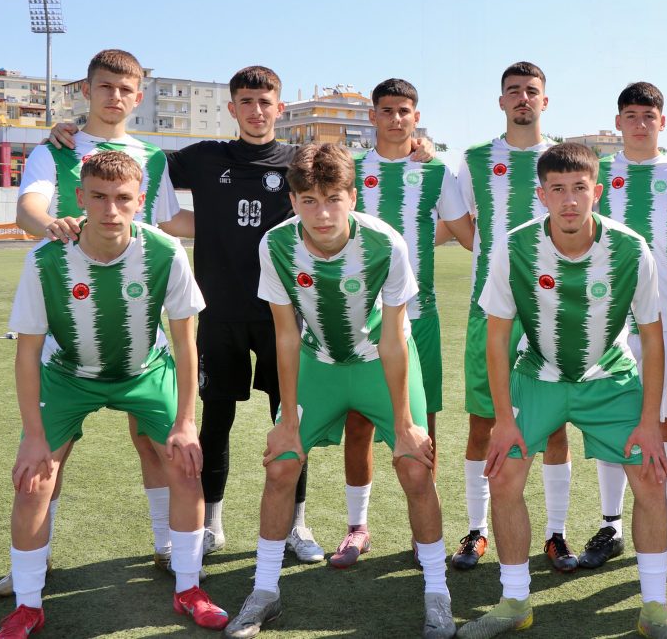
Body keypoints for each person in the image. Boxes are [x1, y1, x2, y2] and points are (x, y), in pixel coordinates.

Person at [47, 66, 438, 562]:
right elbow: (134, 160)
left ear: (280, 108)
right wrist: (75, 134)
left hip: (286, 318)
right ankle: (212, 524)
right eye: (246, 102)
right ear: (232, 108)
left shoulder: (300, 162)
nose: (256, 111)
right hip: (218, 310)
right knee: (216, 420)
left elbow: (358, 165)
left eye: (265, 102)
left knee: (288, 419)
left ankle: (297, 525)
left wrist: (420, 146)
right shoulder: (205, 157)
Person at [224, 144, 454, 639]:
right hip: (320, 364)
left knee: (415, 466)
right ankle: (264, 591)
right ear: (293, 201)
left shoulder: (385, 243)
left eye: (333, 198)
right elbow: (286, 335)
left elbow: (394, 339)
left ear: (352, 196)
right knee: (281, 464)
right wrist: (288, 420)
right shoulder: (276, 244)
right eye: (309, 200)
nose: (322, 213)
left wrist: (406, 424)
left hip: (379, 363)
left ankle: (437, 594)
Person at [0, 151, 226, 638]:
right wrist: (34, 437)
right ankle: (27, 605)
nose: (110, 209)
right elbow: (27, 352)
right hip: (67, 374)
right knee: (33, 480)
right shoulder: (46, 259)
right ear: (79, 198)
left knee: (186, 464)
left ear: (140, 201)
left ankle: (189, 588)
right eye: (98, 197)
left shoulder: (165, 251)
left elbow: (186, 343)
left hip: (145, 372)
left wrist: (186, 422)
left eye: (123, 198)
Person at [460, 142, 667, 639]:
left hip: (610, 380)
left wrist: (650, 421)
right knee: (505, 477)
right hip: (538, 376)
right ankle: (514, 601)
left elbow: (652, 337)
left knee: (650, 477)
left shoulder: (631, 248)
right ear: (541, 195)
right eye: (557, 189)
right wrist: (503, 419)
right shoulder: (515, 246)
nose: (569, 200)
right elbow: (497, 338)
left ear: (596, 192)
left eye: (579, 188)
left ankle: (655, 609)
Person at [1, 48, 195, 597]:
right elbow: (27, 210)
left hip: (137, 323)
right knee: (50, 456)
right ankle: (33, 564)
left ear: (138, 97)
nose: (115, 97)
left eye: (125, 89)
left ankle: (167, 547)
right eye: (105, 86)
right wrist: (54, 225)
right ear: (86, 91)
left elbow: (169, 221)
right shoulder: (56, 148)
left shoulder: (152, 158)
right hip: (71, 317)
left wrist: (239, 222)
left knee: (152, 443)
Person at [337, 78, 473, 568]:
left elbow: (468, 235)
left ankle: (424, 533)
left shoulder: (436, 170)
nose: (396, 119)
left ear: (417, 117)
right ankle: (357, 528)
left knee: (423, 425)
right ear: (372, 115)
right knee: (358, 422)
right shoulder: (351, 169)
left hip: (419, 316)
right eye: (387, 110)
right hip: (358, 316)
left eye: (405, 111)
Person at [449, 62, 573, 573]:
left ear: (545, 100)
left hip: (555, 311)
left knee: (556, 426)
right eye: (514, 91)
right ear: (501, 101)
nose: (523, 98)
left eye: (531, 91)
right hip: (491, 309)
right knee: (483, 423)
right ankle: (476, 530)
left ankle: (556, 533)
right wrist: (493, 260)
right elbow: (460, 223)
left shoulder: (564, 158)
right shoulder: (476, 159)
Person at [582, 81, 667, 575]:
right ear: (619, 123)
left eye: (649, 115)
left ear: (662, 122)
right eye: (631, 115)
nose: (640, 123)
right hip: (609, 321)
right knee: (615, 424)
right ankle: (611, 526)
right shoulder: (599, 171)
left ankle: (665, 525)